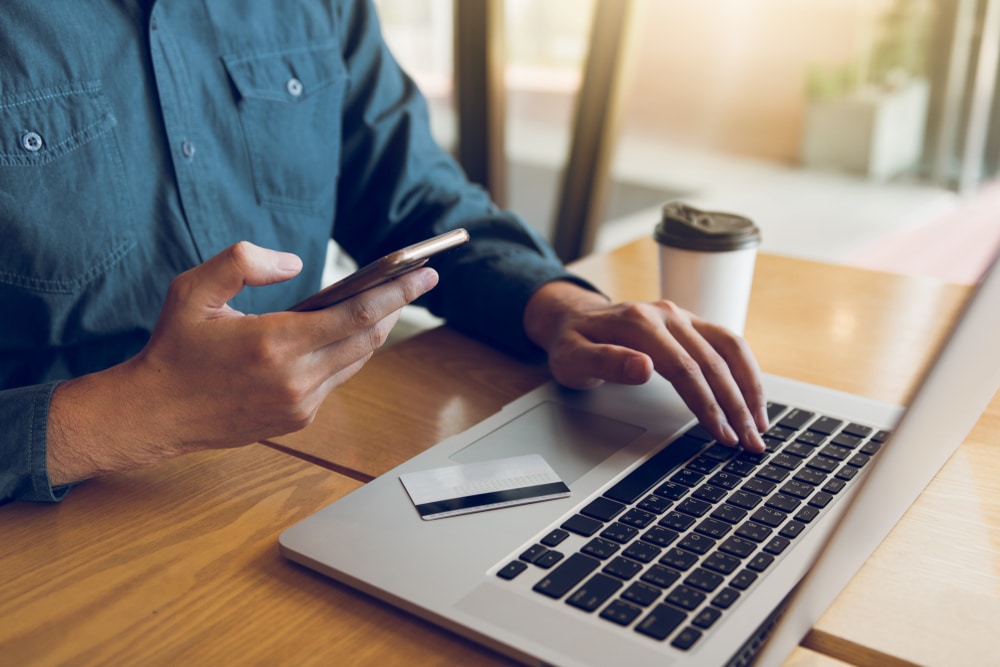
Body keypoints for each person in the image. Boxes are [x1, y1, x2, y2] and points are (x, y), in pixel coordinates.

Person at [0, 0, 767, 504]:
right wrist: (134, 413)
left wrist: (561, 307)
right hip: (51, 533)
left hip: (297, 485)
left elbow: (412, 194)